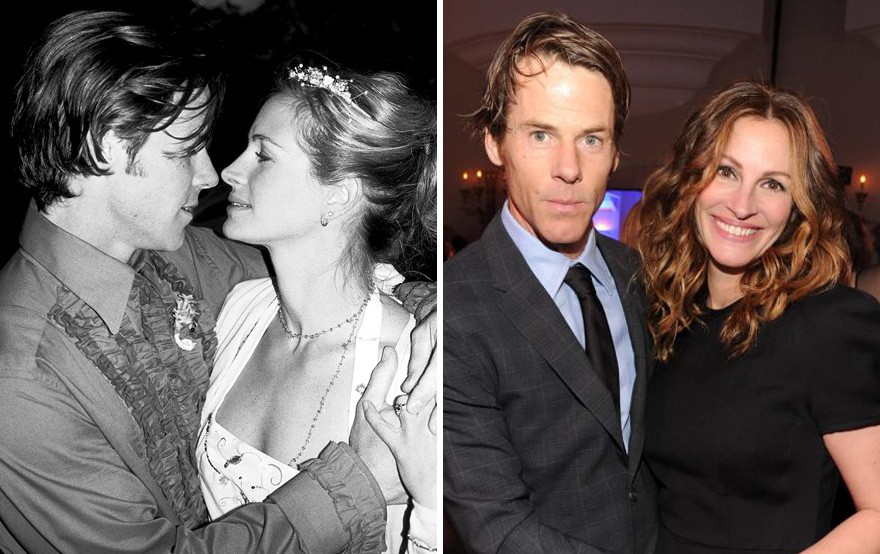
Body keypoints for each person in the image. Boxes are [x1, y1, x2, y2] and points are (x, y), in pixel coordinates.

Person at [0, 10, 436, 553]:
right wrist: (353, 486)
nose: (211, 175)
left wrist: (434, 311)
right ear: (106, 144)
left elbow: (327, 274)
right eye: (184, 151)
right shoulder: (23, 374)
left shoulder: (182, 257)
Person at [197, 61, 437, 552]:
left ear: (338, 196)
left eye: (263, 156)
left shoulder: (410, 369)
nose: (229, 171)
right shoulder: (241, 309)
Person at [444, 11, 658, 553]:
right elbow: (498, 528)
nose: (569, 168)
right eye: (541, 135)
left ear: (615, 152)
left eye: (592, 139)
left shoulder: (639, 275)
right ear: (496, 143)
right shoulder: (454, 311)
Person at [638, 80, 880, 552]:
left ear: (798, 206)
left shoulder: (829, 325)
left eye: (772, 184)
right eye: (726, 171)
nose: (742, 205)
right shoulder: (670, 319)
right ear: (691, 179)